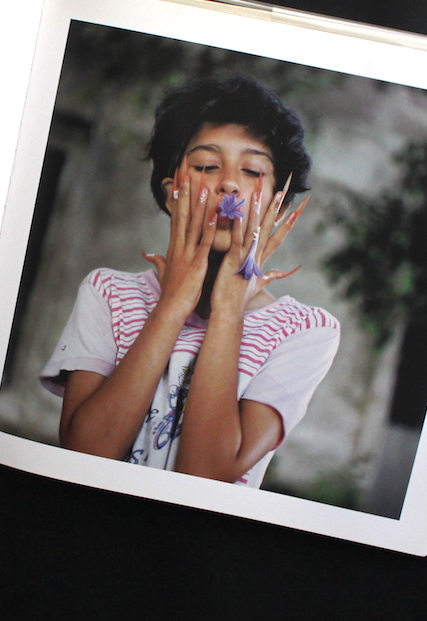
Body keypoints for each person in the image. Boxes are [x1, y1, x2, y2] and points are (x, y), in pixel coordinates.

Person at [40, 73, 339, 488]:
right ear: (172, 192)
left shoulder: (305, 331)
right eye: (207, 166)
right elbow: (85, 454)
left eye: (252, 170)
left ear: (278, 203)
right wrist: (172, 305)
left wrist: (228, 309)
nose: (229, 183)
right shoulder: (108, 294)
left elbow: (204, 477)